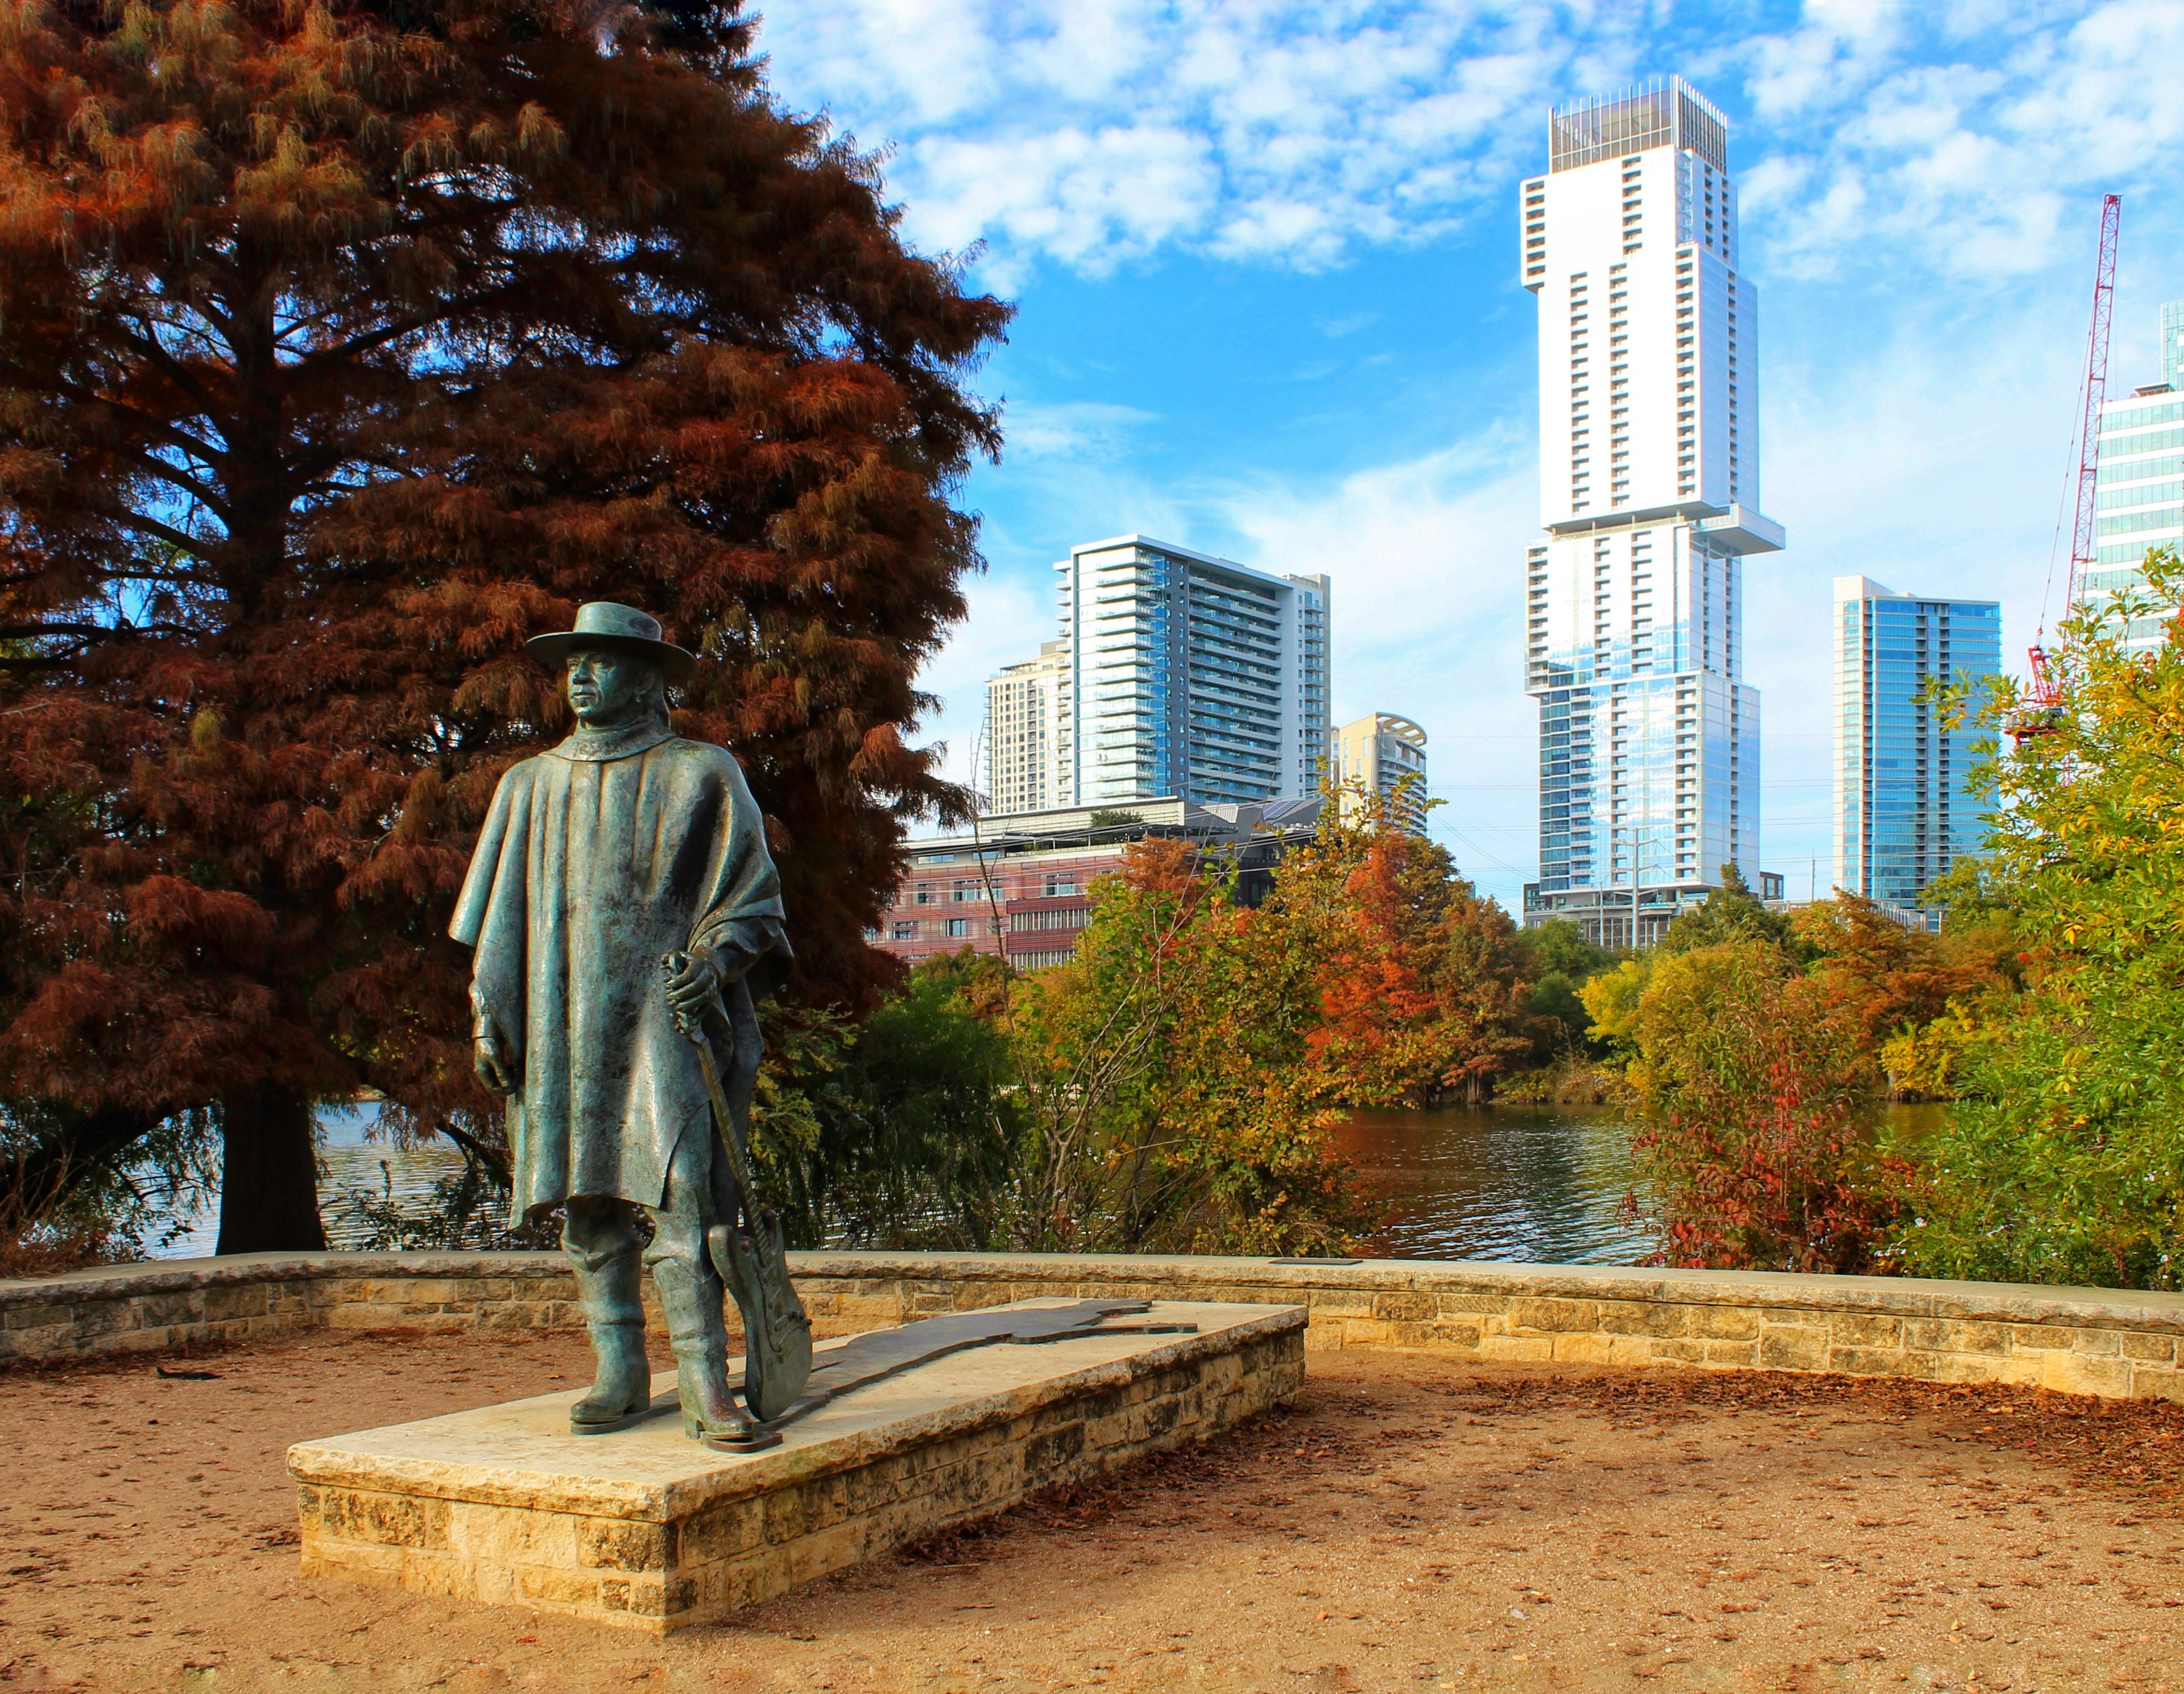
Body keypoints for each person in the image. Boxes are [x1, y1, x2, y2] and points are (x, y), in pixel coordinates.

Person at [450, 602, 792, 1440]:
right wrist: (489, 1013)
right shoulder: (527, 784)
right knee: (586, 1204)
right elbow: (496, 925)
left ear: (648, 679)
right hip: (561, 1023)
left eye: (601, 661)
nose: (581, 675)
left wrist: (712, 962)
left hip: (660, 1022)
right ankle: (620, 1367)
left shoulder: (700, 774)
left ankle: (706, 1382)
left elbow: (755, 903)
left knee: (681, 1197)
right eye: (574, 661)